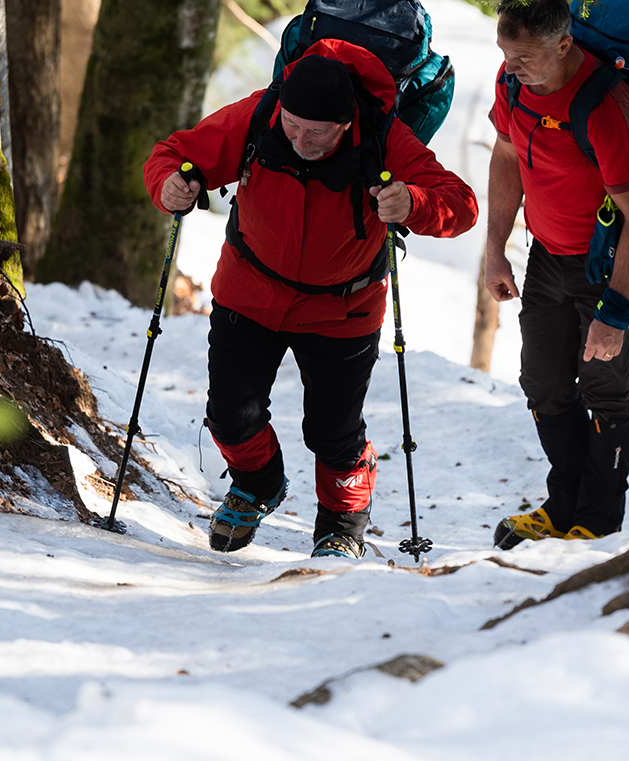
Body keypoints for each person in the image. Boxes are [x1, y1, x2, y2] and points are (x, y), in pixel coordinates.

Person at [144, 38, 477, 559]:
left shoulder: (384, 136)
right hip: (249, 292)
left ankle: (341, 524)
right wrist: (169, 184)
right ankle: (256, 484)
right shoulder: (259, 115)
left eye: (316, 131)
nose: (300, 138)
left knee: (333, 431)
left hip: (344, 310)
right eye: (292, 125)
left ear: (346, 123)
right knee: (229, 415)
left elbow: (460, 205)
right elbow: (174, 154)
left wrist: (413, 202)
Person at [484, 0, 629, 547]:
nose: (512, 67)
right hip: (547, 255)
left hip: (609, 263)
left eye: (524, 57)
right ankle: (563, 509)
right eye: (505, 53)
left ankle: (597, 523)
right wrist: (495, 248)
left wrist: (616, 310)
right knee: (543, 385)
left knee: (603, 391)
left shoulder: (604, 105)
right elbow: (507, 155)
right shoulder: (513, 84)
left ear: (564, 46)